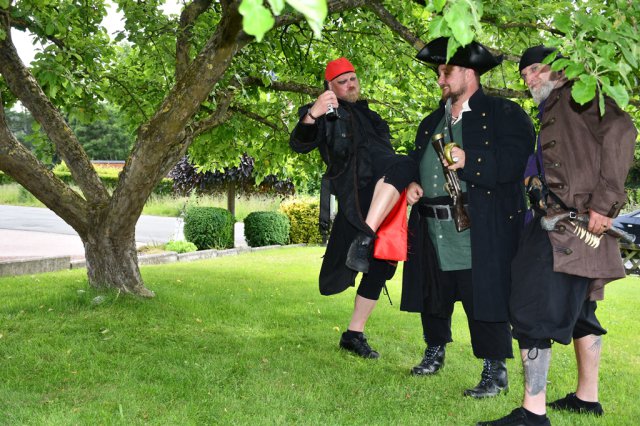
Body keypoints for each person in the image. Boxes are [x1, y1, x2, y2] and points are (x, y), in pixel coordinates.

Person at [478, 46, 637, 426]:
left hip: (568, 225)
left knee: (529, 307)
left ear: (560, 69)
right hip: (562, 223)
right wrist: (531, 177)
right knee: (582, 310)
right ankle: (587, 398)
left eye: (536, 69)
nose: (529, 78)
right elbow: (551, 159)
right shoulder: (554, 107)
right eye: (524, 75)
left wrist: (606, 203)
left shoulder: (580, 94)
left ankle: (533, 413)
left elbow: (622, 129)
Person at [401, 37, 535, 397]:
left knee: (484, 297)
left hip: (482, 228)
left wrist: (469, 158)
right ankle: (434, 351)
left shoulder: (504, 114)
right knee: (434, 293)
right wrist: (412, 183)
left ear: (470, 73)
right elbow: (417, 163)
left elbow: (516, 162)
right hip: (432, 226)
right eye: (438, 73)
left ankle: (495, 370)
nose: (440, 80)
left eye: (446, 72)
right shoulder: (431, 122)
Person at [289, 57, 417, 359]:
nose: (350, 84)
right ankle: (366, 235)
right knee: (405, 163)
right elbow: (299, 144)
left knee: (382, 264)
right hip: (355, 192)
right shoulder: (325, 113)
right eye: (342, 81)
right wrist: (313, 113)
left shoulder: (372, 116)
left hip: (384, 193)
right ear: (330, 87)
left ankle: (353, 334)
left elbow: (387, 155)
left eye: (353, 78)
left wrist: (408, 183)